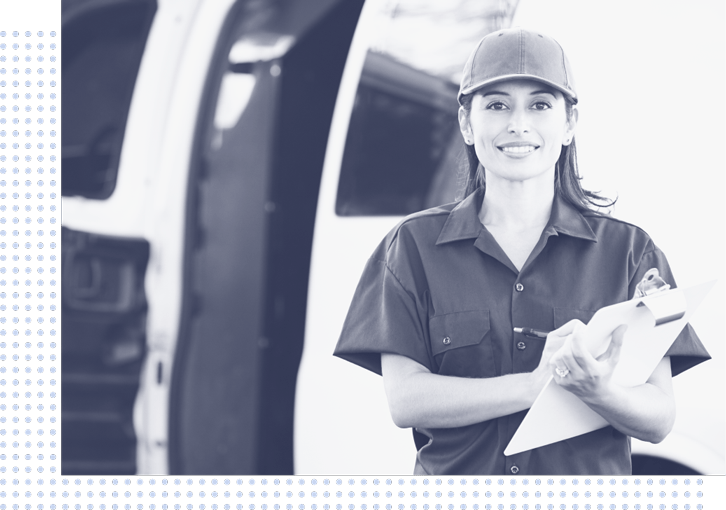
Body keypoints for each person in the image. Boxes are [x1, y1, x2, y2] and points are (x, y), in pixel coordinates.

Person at [333, 27, 710, 475]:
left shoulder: (631, 252)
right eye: (496, 105)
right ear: (467, 124)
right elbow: (406, 400)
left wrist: (599, 390)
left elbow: (659, 418)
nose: (518, 124)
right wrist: (534, 387)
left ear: (569, 124)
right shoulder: (412, 248)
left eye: (540, 105)